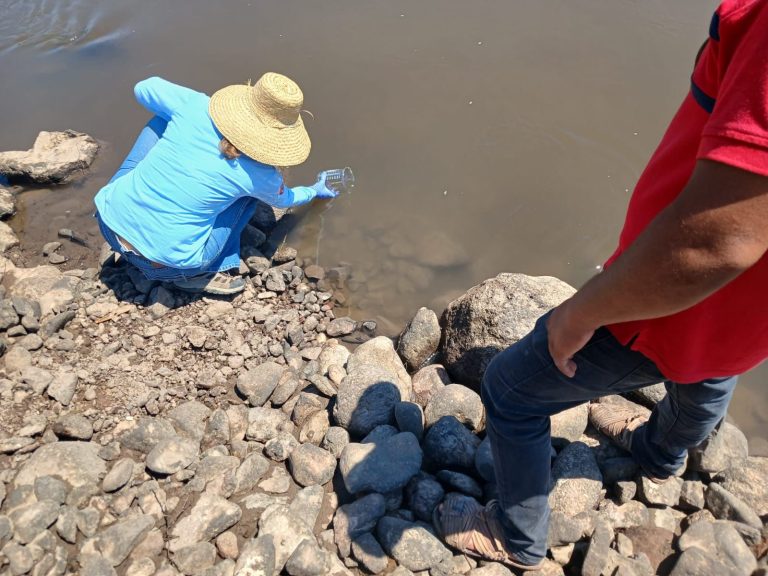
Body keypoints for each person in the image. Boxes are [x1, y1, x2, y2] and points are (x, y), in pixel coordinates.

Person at [435, 1, 768, 570]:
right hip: (747, 315)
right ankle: (659, 455)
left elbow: (714, 244)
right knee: (713, 367)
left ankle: (516, 538)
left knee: (511, 389)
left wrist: (579, 313)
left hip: (666, 307)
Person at [94, 72, 337, 295]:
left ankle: (132, 213)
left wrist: (192, 114)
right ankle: (201, 274)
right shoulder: (262, 175)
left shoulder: (196, 106)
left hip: (107, 224)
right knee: (249, 196)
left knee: (163, 118)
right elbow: (286, 200)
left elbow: (144, 88)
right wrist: (314, 190)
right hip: (165, 266)